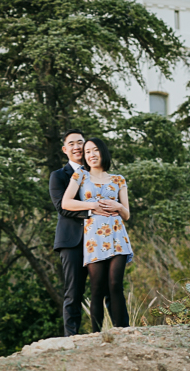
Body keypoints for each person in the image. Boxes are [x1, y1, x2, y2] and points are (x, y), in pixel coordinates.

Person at [61, 136, 133, 332]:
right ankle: (96, 334)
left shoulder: (118, 179)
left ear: (103, 152)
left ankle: (122, 331)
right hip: (94, 237)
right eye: (87, 152)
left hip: (117, 236)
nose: (91, 155)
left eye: (95, 150)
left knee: (115, 283)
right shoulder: (80, 176)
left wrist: (118, 205)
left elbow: (126, 214)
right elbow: (66, 203)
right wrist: (92, 205)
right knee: (97, 288)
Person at [48, 128, 91, 337]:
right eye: (72, 143)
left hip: (98, 240)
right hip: (71, 241)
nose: (77, 147)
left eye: (80, 142)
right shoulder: (58, 176)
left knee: (105, 288)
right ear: (65, 149)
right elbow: (62, 207)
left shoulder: (96, 173)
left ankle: (105, 334)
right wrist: (93, 210)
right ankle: (71, 339)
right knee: (73, 293)